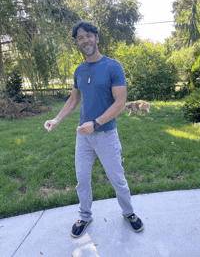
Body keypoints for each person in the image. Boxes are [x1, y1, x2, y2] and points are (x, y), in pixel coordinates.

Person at [44, 20, 144, 238]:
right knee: (82, 179)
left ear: (97, 38)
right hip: (83, 136)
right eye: (80, 38)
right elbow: (73, 100)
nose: (85, 40)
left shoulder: (113, 66)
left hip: (106, 134)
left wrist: (96, 123)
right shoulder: (79, 70)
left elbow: (120, 103)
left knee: (117, 178)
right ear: (78, 43)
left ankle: (129, 213)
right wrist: (56, 120)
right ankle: (85, 215)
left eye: (88, 35)